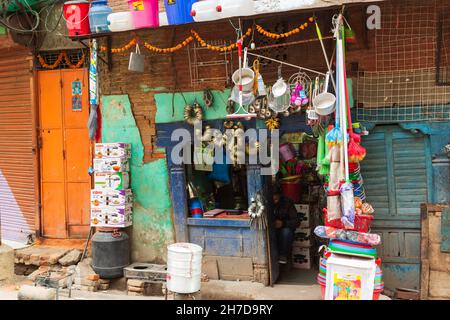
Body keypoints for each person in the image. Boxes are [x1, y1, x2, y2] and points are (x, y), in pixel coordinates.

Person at [273, 189, 301, 264]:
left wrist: (283, 223)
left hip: (284, 228)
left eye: (276, 199)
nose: (274, 201)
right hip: (272, 229)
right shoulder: (267, 203)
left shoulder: (287, 203)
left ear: (280, 195)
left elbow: (297, 222)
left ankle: (283, 255)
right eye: (272, 199)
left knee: (286, 232)